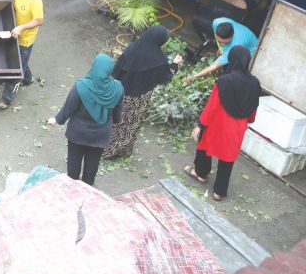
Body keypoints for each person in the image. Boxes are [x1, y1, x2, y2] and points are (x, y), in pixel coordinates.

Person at [184, 46, 260, 201]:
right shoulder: (255, 83)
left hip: (217, 123)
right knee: (227, 157)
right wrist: (247, 119)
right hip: (237, 127)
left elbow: (211, 107)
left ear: (231, 59)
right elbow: (253, 111)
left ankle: (200, 173)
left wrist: (200, 125)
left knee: (204, 145)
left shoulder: (224, 81)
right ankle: (219, 191)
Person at [103, 25, 183, 159]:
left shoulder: (132, 48)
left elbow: (116, 70)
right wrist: (175, 64)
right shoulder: (159, 59)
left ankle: (101, 145)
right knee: (129, 124)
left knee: (113, 119)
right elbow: (165, 77)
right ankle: (116, 151)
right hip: (139, 98)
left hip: (118, 92)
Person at [47, 53, 124, 186]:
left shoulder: (81, 86)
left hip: (78, 132)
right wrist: (116, 121)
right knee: (92, 164)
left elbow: (69, 108)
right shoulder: (118, 88)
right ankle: (87, 188)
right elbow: (118, 112)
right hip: (100, 135)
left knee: (73, 162)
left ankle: (72, 187)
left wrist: (57, 119)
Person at [0, 0, 44, 110]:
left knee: (15, 71)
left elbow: (39, 21)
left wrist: (21, 28)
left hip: (25, 39)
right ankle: (28, 79)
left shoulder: (35, 0)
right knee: (21, 61)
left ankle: (6, 99)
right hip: (14, 33)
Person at [184, 17, 258, 84]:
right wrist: (220, 49)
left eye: (226, 42)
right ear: (216, 33)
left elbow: (214, 66)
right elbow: (222, 44)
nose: (222, 44)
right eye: (220, 41)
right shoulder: (217, 22)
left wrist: (192, 78)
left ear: (232, 36)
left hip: (253, 52)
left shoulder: (235, 46)